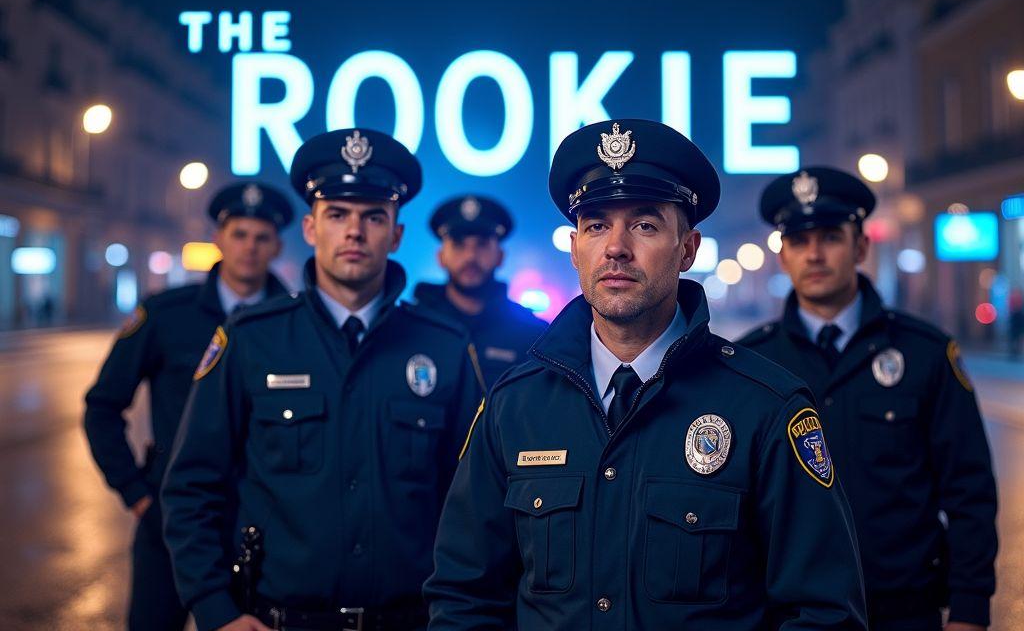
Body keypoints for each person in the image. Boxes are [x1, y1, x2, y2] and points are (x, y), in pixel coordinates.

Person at [424, 120, 867, 630]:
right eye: (595, 225)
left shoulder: (767, 406)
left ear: (688, 248)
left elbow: (823, 613)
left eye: (645, 224)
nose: (615, 247)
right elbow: (464, 599)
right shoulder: (514, 407)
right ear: (574, 248)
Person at [161, 128, 484, 631]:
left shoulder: (444, 345)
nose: (354, 232)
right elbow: (191, 486)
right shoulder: (250, 340)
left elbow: (475, 502)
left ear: (396, 234)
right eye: (337, 214)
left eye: (373, 217)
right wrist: (214, 609)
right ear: (311, 228)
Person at [739, 166, 998, 631]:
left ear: (860, 245)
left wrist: (970, 610)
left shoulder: (925, 354)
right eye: (799, 240)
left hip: (903, 609)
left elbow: (969, 491)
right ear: (783, 257)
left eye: (831, 237)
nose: (814, 254)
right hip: (789, 615)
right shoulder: (753, 364)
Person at [84, 181, 293, 631]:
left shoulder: (294, 321)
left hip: (262, 526)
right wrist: (137, 494)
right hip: (171, 521)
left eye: (262, 237)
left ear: (277, 245)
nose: (250, 248)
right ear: (219, 238)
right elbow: (102, 406)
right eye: (240, 234)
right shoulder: (166, 314)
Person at [414, 195, 546, 388]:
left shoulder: (534, 337)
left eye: (482, 244)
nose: (470, 256)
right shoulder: (411, 328)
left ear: (500, 256)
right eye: (459, 244)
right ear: (441, 257)